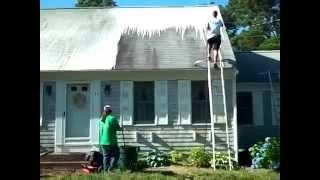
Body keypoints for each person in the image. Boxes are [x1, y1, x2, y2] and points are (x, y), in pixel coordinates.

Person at [99, 105, 121, 173]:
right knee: (116, 155)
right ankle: (110, 169)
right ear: (110, 111)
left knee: (106, 156)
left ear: (104, 111)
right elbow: (118, 128)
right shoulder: (112, 118)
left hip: (103, 141)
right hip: (111, 141)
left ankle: (105, 171)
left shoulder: (101, 120)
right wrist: (121, 128)